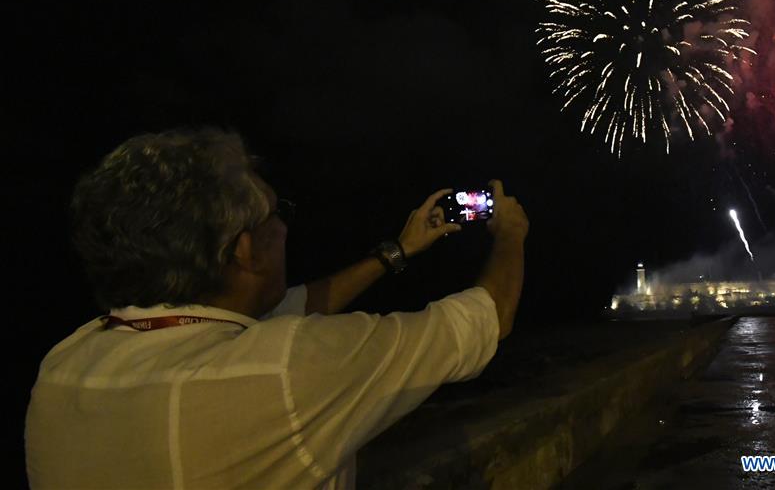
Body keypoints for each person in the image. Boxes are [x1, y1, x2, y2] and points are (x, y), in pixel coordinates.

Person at [25, 128, 528, 489]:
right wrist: (510, 235)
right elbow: (488, 318)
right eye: (276, 215)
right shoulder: (287, 371)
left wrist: (397, 251)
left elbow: (301, 305)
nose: (285, 229)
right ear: (244, 250)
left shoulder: (62, 366)